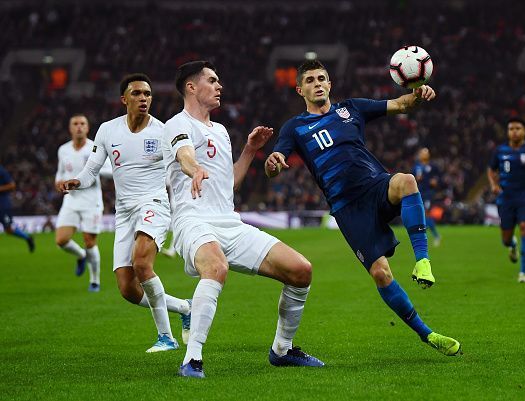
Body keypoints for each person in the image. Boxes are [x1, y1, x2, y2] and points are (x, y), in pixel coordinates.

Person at [265, 60, 460, 357]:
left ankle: (423, 261)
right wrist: (273, 162)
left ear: (330, 84)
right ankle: (427, 334)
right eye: (310, 80)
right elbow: (277, 159)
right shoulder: (295, 127)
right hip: (348, 208)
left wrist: (420, 93)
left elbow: (401, 104)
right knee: (381, 274)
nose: (317, 83)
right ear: (300, 89)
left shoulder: (352, 108)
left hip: (376, 186)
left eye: (322, 78)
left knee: (407, 181)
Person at [164, 61, 324, 379]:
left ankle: (282, 350)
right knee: (216, 267)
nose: (220, 85)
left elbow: (230, 184)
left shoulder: (221, 131)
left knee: (301, 270)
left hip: (229, 223)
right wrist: (195, 169)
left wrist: (250, 150)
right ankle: (191, 359)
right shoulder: (175, 124)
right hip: (192, 220)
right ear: (191, 87)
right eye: (212, 80)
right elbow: (184, 155)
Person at [60, 73, 191, 352]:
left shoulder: (163, 130)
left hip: (153, 204)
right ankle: (183, 307)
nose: (143, 98)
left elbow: (179, 165)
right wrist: (77, 182)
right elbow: (92, 169)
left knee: (142, 264)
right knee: (128, 289)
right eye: (137, 94)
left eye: (147, 94)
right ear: (124, 99)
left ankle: (165, 337)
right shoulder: (108, 130)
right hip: (124, 211)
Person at [55, 114, 112, 291]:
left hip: (91, 202)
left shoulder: (96, 148)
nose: (79, 126)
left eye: (82, 124)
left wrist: (92, 171)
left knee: (89, 241)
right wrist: (58, 182)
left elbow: (110, 171)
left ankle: (94, 281)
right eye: (75, 124)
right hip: (70, 200)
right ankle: (81, 256)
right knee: (61, 240)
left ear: (87, 128)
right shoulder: (63, 150)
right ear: (70, 128)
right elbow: (60, 172)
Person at [487, 117, 525, 283]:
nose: (514, 131)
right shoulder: (500, 151)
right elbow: (491, 170)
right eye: (511, 129)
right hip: (505, 197)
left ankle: (523, 273)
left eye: (517, 128)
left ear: (524, 131)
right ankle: (512, 245)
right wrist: (493, 185)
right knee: (506, 239)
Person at [0, 164, 35, 252]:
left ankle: (28, 238)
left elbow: (12, 185)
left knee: (8, 229)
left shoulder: (1, 170)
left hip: (2, 205)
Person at [413, 147, 441, 246]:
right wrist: (417, 179)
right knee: (421, 216)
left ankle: (436, 236)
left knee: (426, 214)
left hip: (428, 193)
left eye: (425, 153)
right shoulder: (416, 167)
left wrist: (435, 181)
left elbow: (438, 177)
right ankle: (427, 236)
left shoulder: (433, 166)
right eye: (422, 153)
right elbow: (412, 179)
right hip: (419, 193)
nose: (423, 155)